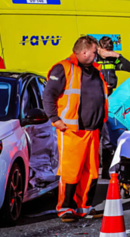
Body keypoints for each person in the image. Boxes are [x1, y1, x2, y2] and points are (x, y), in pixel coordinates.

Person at [45, 36, 109, 222]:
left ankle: (84, 207)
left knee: (91, 171)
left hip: (92, 129)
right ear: (84, 52)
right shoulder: (64, 68)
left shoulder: (95, 70)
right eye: (95, 52)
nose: (97, 55)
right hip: (71, 129)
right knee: (71, 171)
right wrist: (55, 119)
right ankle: (65, 208)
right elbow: (49, 95)